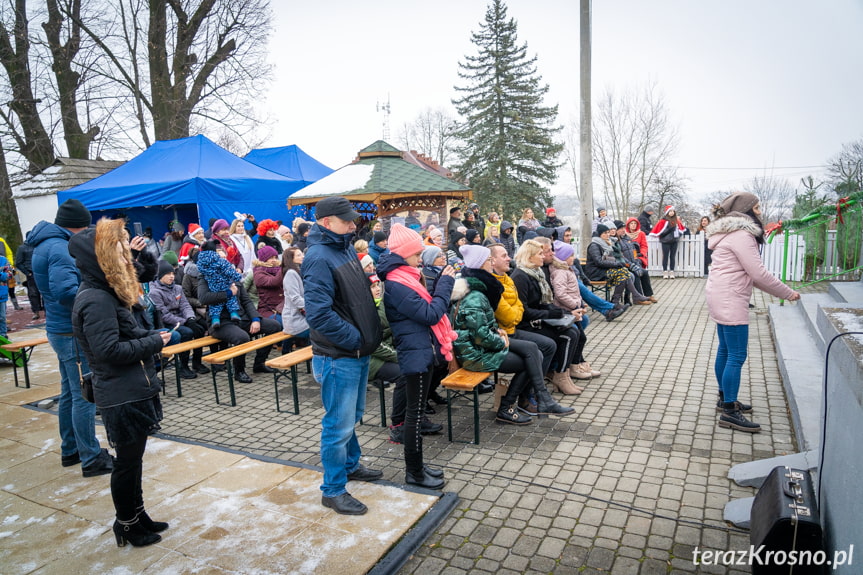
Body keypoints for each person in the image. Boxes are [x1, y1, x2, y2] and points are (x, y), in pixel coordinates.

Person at [69, 218, 171, 548]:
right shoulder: (95, 299)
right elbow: (109, 350)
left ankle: (137, 514)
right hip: (120, 393)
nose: (125, 254)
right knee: (126, 465)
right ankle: (126, 524)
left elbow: (127, 332)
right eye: (117, 249)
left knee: (133, 460)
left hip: (130, 388)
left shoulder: (106, 292)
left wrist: (152, 335)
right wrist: (154, 343)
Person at [302, 196, 383, 515]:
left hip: (356, 351)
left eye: (353, 219)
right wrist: (356, 340)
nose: (354, 224)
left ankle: (350, 465)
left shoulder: (344, 246)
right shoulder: (319, 256)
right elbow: (319, 315)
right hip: (340, 355)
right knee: (338, 425)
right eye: (346, 220)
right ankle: (333, 489)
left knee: (351, 416)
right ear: (326, 223)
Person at [30, 199, 113, 477]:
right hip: (71, 330)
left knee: (69, 392)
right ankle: (90, 457)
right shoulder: (61, 248)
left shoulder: (47, 243)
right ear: (78, 225)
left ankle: (71, 449)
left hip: (60, 327)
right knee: (84, 395)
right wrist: (93, 305)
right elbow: (66, 291)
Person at [706, 192, 800, 433]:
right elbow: (758, 274)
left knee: (725, 350)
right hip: (731, 298)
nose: (760, 212)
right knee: (736, 355)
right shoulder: (742, 235)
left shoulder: (725, 233)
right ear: (745, 211)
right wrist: (788, 293)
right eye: (756, 208)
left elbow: (751, 274)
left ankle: (724, 398)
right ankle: (729, 411)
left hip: (720, 294)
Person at [453, 244, 575, 424]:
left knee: (535, 351)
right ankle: (511, 406)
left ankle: (537, 400)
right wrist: (501, 340)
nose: (491, 262)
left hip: (484, 345)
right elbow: (481, 335)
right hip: (475, 354)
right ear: (480, 264)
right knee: (533, 356)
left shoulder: (483, 288)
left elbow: (487, 324)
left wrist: (497, 331)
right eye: (488, 260)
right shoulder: (475, 296)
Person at [377, 224, 455, 489]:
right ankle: (414, 472)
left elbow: (427, 310)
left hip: (422, 351)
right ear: (404, 254)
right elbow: (431, 314)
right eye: (417, 254)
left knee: (417, 413)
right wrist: (445, 284)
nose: (420, 258)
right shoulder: (398, 283)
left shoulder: (406, 277)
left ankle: (419, 466)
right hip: (415, 356)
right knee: (413, 416)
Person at [487, 244, 573, 416]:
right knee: (543, 347)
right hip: (504, 333)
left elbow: (518, 308)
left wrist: (561, 312)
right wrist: (551, 313)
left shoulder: (508, 278)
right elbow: (514, 315)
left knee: (555, 341)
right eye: (504, 255)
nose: (508, 258)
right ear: (492, 260)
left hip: (512, 328)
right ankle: (529, 398)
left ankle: (536, 393)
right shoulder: (508, 279)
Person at [511, 239, 586, 394]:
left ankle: (562, 374)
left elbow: (545, 304)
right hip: (526, 325)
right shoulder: (520, 277)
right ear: (529, 256)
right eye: (540, 253)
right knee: (569, 335)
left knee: (573, 331)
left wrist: (566, 313)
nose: (544, 257)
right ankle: (558, 377)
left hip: (538, 319)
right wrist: (552, 314)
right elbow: (524, 311)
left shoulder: (537, 273)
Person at [197, 244, 282, 383]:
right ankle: (239, 371)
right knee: (242, 337)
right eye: (220, 258)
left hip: (241, 317)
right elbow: (203, 298)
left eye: (225, 257)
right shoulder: (205, 276)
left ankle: (259, 363)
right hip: (220, 321)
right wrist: (229, 293)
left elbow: (246, 300)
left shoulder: (232, 275)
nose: (223, 260)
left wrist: (255, 318)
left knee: (274, 326)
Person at [148, 260, 210, 378]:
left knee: (200, 329)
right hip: (168, 323)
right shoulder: (155, 292)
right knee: (187, 333)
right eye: (168, 274)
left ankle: (197, 362)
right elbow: (164, 315)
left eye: (173, 274)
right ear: (160, 276)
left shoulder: (177, 288)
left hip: (182, 319)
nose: (172, 277)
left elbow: (185, 305)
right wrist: (185, 322)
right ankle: (183, 366)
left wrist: (190, 318)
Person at [586, 224, 652, 307]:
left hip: (605, 270)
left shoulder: (606, 244)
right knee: (624, 272)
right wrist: (617, 264)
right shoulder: (594, 245)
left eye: (608, 232)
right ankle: (632, 296)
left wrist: (618, 264)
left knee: (623, 276)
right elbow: (599, 262)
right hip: (596, 273)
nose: (608, 234)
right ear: (599, 234)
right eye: (605, 233)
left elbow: (612, 258)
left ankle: (615, 301)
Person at [196, 241, 244, 328]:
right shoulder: (220, 261)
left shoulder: (201, 264)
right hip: (225, 284)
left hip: (213, 286)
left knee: (215, 305)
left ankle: (215, 319)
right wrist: (238, 277)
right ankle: (234, 314)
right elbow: (230, 271)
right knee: (231, 298)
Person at [613, 220, 656, 303]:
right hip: (624, 265)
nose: (623, 230)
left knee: (644, 272)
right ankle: (638, 298)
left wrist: (636, 262)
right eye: (620, 228)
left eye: (623, 228)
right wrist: (632, 266)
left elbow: (633, 252)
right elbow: (620, 257)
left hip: (632, 262)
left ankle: (648, 295)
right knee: (635, 273)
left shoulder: (626, 238)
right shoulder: (616, 241)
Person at [280, 247, 310, 348]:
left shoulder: (298, 271)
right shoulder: (291, 273)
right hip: (295, 320)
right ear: (290, 259)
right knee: (320, 329)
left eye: (302, 254)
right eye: (298, 255)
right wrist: (313, 307)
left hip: (301, 317)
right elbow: (296, 299)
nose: (303, 256)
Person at [650, 205, 688, 278]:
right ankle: (665, 271)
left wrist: (678, 235)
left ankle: (672, 271)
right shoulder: (663, 221)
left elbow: (681, 230)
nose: (672, 212)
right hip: (665, 241)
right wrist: (670, 229)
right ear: (667, 212)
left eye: (673, 211)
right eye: (670, 211)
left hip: (674, 241)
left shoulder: (676, 221)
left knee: (672, 256)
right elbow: (660, 233)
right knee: (665, 256)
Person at [15, 232, 43, 320]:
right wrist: (27, 273)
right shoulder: (22, 248)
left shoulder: (39, 246)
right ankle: (36, 312)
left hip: (40, 272)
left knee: (44, 292)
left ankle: (46, 311)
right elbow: (18, 263)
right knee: (33, 293)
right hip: (31, 273)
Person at [253, 245, 284, 323]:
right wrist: (284, 267)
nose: (274, 260)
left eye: (275, 257)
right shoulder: (258, 273)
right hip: (268, 310)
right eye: (271, 258)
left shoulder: (278, 269)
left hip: (282, 307)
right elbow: (274, 282)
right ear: (263, 259)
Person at [0, 253, 8, 337]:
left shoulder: (3, 260)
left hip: (1, 293)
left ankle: (3, 335)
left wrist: (1, 275)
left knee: (2, 317)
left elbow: (11, 273)